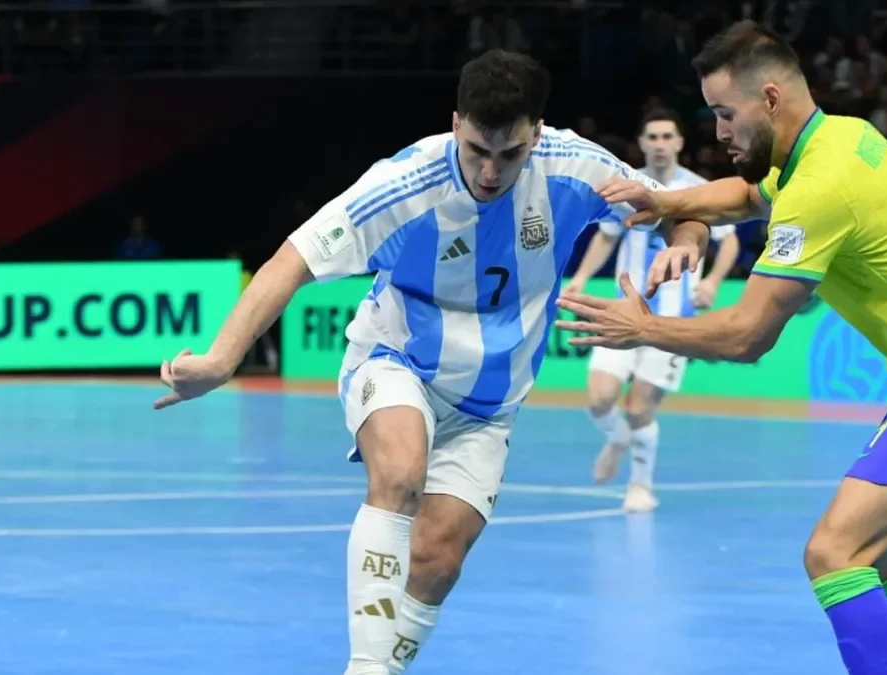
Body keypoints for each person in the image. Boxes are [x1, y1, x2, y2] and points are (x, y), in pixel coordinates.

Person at [151, 49, 707, 675]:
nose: (491, 171)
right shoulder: (402, 183)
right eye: (477, 150)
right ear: (455, 123)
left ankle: (387, 666)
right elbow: (292, 259)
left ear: (538, 134)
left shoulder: (577, 166)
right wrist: (223, 360)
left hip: (491, 402)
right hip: (398, 359)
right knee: (400, 473)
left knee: (439, 559)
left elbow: (682, 209)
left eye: (511, 154)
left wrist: (683, 244)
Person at [557, 20, 887, 675]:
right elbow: (748, 195)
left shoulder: (823, 186)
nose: (719, 132)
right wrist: (667, 205)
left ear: (768, 99)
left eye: (725, 114)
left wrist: (641, 328)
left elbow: (748, 334)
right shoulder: (838, 139)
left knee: (836, 554)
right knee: (876, 564)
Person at [563, 107, 740, 512]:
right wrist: (581, 277)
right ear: (641, 144)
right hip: (623, 311)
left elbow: (728, 240)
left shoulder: (698, 189)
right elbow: (607, 238)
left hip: (671, 322)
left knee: (640, 406)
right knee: (599, 401)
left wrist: (712, 281)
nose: (660, 144)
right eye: (652, 137)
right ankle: (619, 437)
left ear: (679, 143)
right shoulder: (628, 186)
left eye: (667, 137)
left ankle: (640, 485)